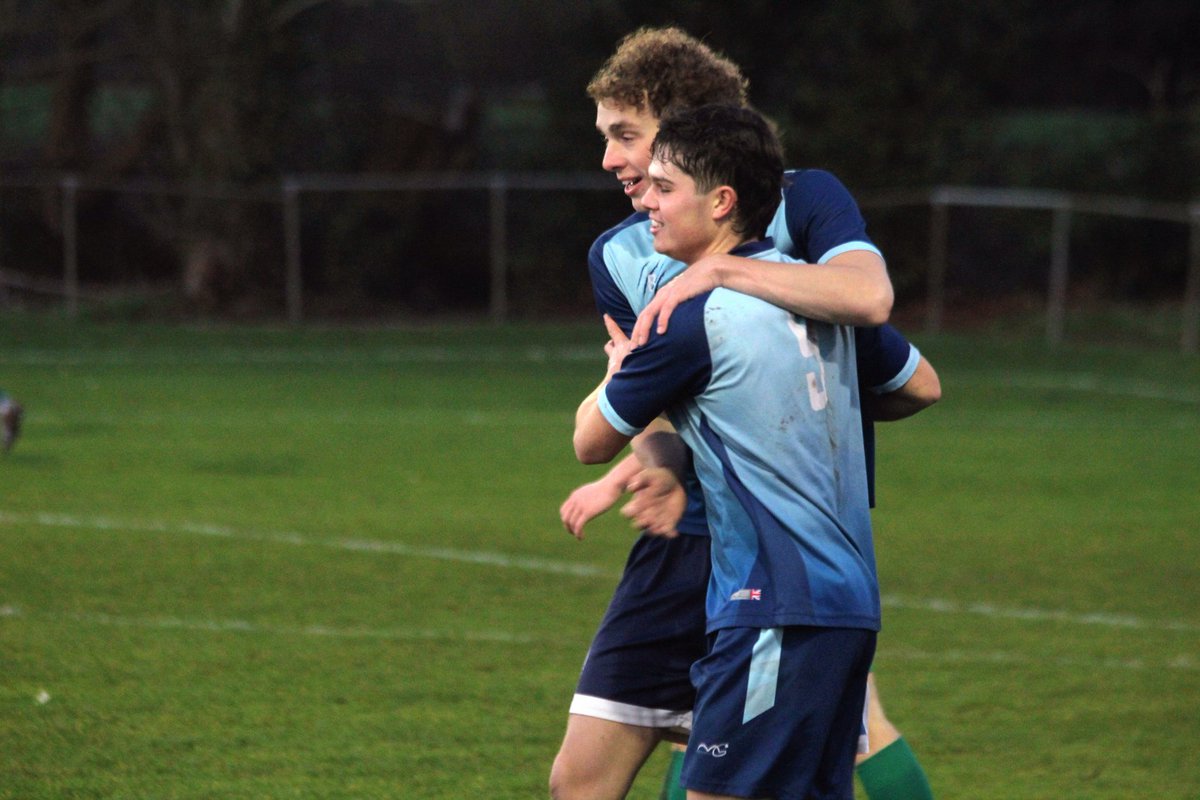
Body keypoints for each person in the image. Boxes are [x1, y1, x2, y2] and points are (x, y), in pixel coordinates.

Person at [549, 27, 936, 800]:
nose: (613, 162)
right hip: (723, 543)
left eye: (627, 136)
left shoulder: (802, 207)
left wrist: (721, 277)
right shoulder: (621, 255)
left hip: (784, 550)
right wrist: (656, 462)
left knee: (733, 764)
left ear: (687, 134)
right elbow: (660, 403)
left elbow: (870, 309)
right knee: (647, 767)